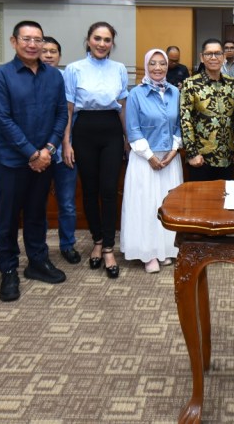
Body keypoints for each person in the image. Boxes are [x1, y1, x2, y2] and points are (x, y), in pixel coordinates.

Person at [0, 20, 69, 302]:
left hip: (45, 160)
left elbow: (61, 115)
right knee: (8, 219)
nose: (33, 44)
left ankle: (37, 261)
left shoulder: (55, 76)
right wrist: (32, 153)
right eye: (27, 39)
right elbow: (2, 119)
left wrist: (48, 149)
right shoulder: (1, 76)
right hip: (11, 161)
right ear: (14, 42)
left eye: (38, 39)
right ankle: (8, 270)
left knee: (37, 215)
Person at [64, 21, 129, 279]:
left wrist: (126, 137)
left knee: (109, 190)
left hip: (111, 130)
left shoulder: (119, 69)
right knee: (89, 191)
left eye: (107, 39)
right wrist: (66, 142)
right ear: (88, 40)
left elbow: (122, 106)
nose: (102, 44)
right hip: (84, 130)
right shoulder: (74, 69)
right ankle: (98, 241)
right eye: (97, 38)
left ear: (112, 43)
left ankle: (110, 248)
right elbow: (68, 109)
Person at [120, 49, 183, 273]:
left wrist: (174, 151)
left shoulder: (175, 92)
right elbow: (133, 129)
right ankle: (148, 253)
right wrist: (149, 156)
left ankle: (164, 248)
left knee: (167, 206)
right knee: (146, 205)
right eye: (153, 64)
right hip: (144, 159)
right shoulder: (136, 93)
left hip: (169, 159)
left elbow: (179, 126)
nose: (158, 68)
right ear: (146, 66)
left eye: (162, 64)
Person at [40, 36, 81, 265]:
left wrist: (66, 144)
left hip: (64, 152)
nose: (48, 55)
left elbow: (69, 113)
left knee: (66, 202)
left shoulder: (66, 78)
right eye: (44, 51)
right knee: (39, 203)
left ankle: (67, 244)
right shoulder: (31, 79)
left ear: (59, 56)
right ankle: (40, 248)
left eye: (53, 51)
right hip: (37, 154)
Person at [181, 38, 234, 181]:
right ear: (202, 58)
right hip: (201, 159)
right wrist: (191, 153)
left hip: (227, 157)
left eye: (217, 53)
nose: (213, 57)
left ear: (223, 57)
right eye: (209, 54)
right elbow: (186, 120)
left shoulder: (232, 84)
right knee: (200, 201)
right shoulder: (191, 84)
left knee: (225, 199)